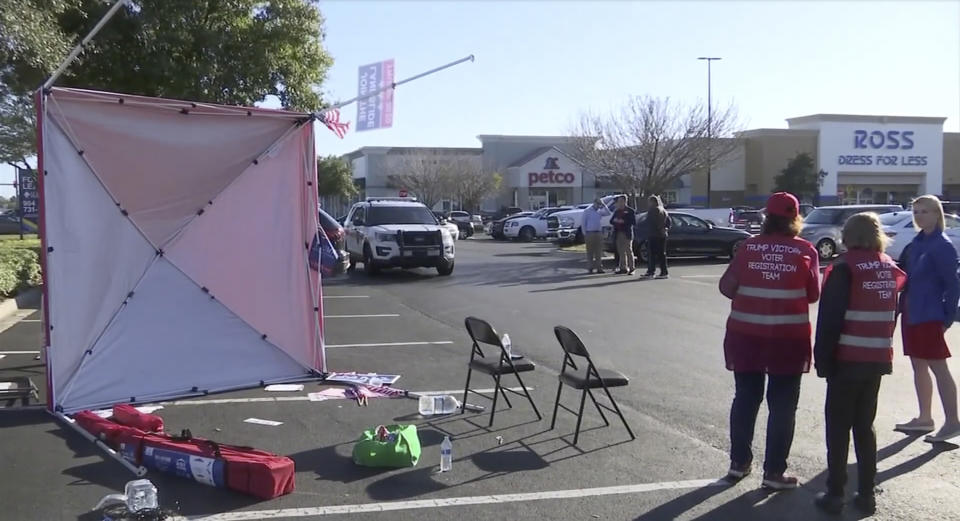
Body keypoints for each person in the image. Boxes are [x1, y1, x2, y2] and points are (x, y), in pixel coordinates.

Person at [718, 192, 820, 490]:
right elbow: (813, 294)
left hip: (746, 336)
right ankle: (774, 472)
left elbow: (726, 287)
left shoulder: (749, 247)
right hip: (788, 340)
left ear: (767, 217)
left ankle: (739, 463)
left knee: (746, 399)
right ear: (795, 218)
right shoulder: (806, 251)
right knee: (783, 406)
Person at [813, 213, 906, 516]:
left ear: (848, 236)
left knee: (838, 428)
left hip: (847, 359)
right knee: (865, 427)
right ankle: (866, 493)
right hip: (877, 359)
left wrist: (823, 360)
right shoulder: (888, 267)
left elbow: (830, 320)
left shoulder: (845, 268)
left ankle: (835, 492)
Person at [895, 195, 960, 443]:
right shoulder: (917, 242)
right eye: (916, 211)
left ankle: (953, 421)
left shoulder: (941, 245)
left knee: (938, 367)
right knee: (918, 364)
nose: (920, 215)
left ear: (937, 214)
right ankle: (925, 418)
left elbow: (953, 285)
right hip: (912, 314)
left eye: (925, 211)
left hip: (930, 315)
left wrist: (946, 317)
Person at [643, 195, 671, 279]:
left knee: (651, 254)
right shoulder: (664, 210)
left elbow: (650, 222)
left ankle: (651, 272)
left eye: (649, 202)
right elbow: (669, 222)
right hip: (662, 235)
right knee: (662, 254)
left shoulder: (653, 210)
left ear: (653, 202)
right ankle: (664, 272)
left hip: (654, 234)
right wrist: (665, 228)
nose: (648, 204)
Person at [583, 198, 610, 274]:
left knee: (598, 252)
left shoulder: (599, 211)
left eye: (599, 204)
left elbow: (608, 213)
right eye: (597, 204)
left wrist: (604, 205)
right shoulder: (587, 211)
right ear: (594, 203)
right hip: (590, 233)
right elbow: (583, 223)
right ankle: (590, 268)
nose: (598, 206)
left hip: (598, 233)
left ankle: (599, 268)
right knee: (590, 252)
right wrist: (585, 234)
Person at [610, 195, 637, 275]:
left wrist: (623, 221)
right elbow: (611, 221)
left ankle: (632, 268)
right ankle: (623, 268)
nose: (619, 203)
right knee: (621, 251)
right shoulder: (617, 211)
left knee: (628, 250)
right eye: (618, 201)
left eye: (621, 201)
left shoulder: (630, 211)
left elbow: (633, 222)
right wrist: (616, 221)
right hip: (618, 233)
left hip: (627, 233)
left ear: (625, 201)